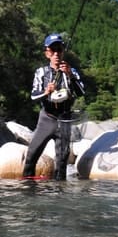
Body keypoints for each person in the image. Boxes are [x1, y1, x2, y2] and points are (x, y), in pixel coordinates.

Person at [23, 33, 86, 180]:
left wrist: (70, 75)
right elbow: (33, 96)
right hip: (47, 118)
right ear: (47, 53)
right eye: (52, 50)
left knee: (62, 159)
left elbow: (81, 92)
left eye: (59, 49)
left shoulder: (72, 71)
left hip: (64, 119)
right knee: (32, 153)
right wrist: (46, 92)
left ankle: (60, 191)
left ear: (63, 51)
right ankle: (27, 186)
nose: (56, 53)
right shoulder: (41, 72)